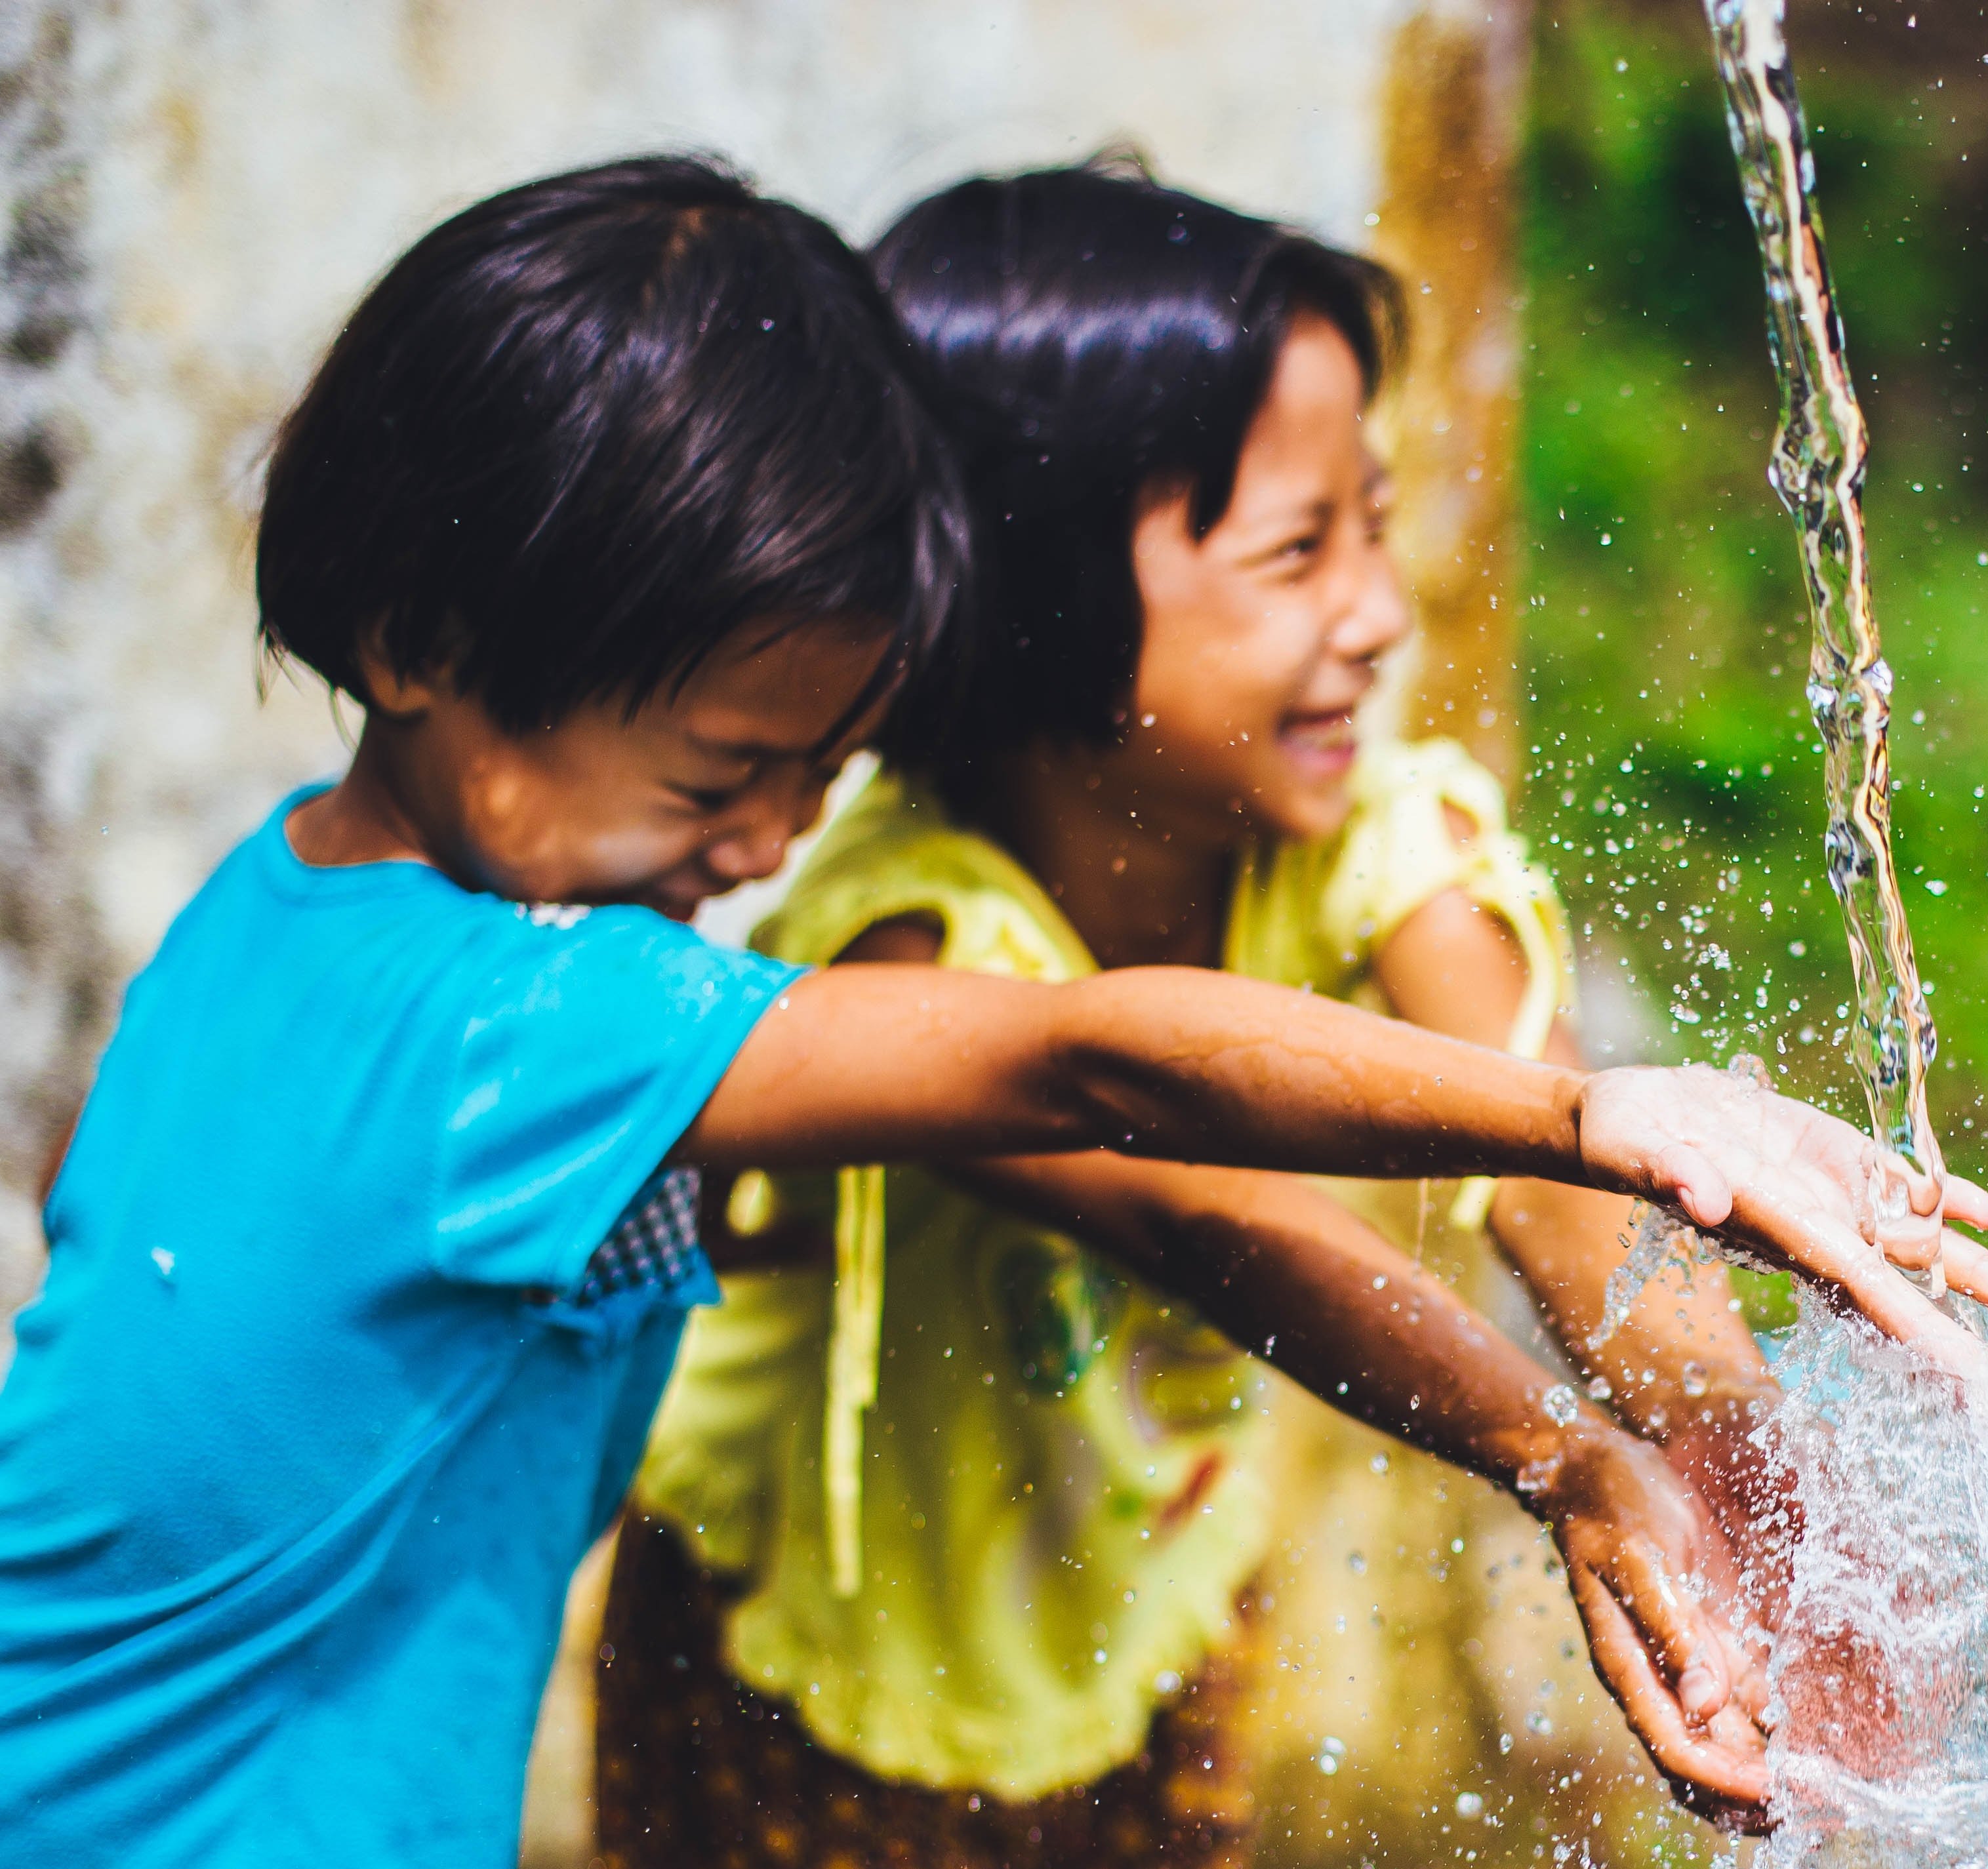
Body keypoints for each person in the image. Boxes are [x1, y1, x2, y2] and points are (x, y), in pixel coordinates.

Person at [0, 155, 1988, 1869]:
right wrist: (1598, 1124)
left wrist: (1636, 1441)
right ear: (425, 636)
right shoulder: (537, 1013)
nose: (764, 850)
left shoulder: (286, 901)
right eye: (724, 779)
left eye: (819, 769)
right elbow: (1099, 1069)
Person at [593, 162, 1829, 1869]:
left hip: (1154, 1609)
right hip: (804, 1671)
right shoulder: (902, 934)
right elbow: (1206, 1211)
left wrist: (1732, 1448)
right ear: (1036, 597)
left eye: (1378, 523)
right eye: (1299, 549)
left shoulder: (1364, 837)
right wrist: (1555, 1454)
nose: (1380, 614)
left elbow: (1554, 1165)